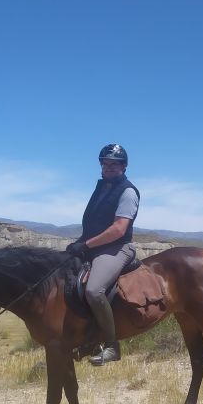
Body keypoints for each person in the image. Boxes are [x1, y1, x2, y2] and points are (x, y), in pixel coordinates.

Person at [66, 143, 139, 365]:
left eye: (114, 164)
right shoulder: (101, 188)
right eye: (105, 163)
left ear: (123, 166)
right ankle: (86, 337)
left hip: (116, 248)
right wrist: (79, 243)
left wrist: (86, 244)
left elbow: (119, 228)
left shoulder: (127, 191)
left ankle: (111, 345)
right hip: (93, 245)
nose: (108, 167)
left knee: (94, 290)